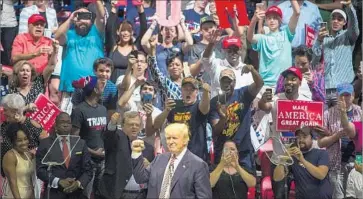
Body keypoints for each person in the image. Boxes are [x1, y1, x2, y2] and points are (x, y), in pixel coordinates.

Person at [131, 123, 212, 199]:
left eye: (174, 138)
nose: (170, 142)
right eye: (168, 138)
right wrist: (136, 153)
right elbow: (140, 178)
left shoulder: (198, 165)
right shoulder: (159, 159)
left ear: (185, 140)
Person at [209, 66, 263, 167]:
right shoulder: (214, 102)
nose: (226, 85)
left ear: (234, 82)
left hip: (243, 150)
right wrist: (223, 118)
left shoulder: (243, 94)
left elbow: (260, 83)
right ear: (219, 83)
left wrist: (252, 70)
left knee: (248, 181)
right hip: (223, 151)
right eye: (224, 81)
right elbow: (215, 130)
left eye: (229, 81)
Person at [317, 83, 361, 199]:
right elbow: (320, 143)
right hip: (336, 164)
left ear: (353, 95)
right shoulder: (328, 114)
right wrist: (335, 137)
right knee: (338, 196)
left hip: (357, 163)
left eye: (347, 95)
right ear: (336, 96)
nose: (344, 99)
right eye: (342, 95)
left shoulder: (359, 112)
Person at [312, 0, 359, 107]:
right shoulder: (323, 39)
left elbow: (354, 25)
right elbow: (314, 62)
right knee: (325, 121)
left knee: (342, 121)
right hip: (326, 88)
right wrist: (319, 40)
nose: (336, 21)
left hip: (344, 89)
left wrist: (349, 6)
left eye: (339, 19)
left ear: (345, 23)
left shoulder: (348, 36)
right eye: (333, 18)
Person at [36, 112, 93, 199]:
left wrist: (78, 183)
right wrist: (58, 181)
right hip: (54, 193)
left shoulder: (80, 143)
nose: (65, 125)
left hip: (76, 194)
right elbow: (40, 170)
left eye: (68, 122)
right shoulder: (45, 143)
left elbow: (88, 170)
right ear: (56, 125)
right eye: (62, 122)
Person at [99, 112, 154, 199]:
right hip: (119, 194)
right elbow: (108, 136)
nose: (134, 127)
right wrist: (112, 124)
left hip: (142, 194)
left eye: (137, 125)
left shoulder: (149, 148)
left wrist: (149, 166)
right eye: (131, 124)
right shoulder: (116, 139)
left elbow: (153, 174)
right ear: (123, 125)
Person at [154, 77, 211, 160]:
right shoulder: (175, 105)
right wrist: (166, 111)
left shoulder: (198, 106)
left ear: (196, 92)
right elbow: (156, 125)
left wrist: (206, 92)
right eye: (185, 89)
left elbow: (205, 108)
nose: (188, 92)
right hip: (177, 154)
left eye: (191, 89)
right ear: (181, 91)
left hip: (196, 155)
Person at [247, 1, 300, 89]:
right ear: (266, 21)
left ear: (280, 20)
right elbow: (250, 37)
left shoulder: (286, 34)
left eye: (275, 18)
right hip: (266, 84)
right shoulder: (262, 38)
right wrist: (254, 20)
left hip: (284, 84)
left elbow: (297, 12)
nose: (272, 20)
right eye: (269, 18)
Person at [55, 1, 105, 93]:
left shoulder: (96, 32)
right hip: (70, 88)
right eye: (79, 16)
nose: (82, 20)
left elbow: (101, 16)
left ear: (91, 19)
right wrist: (70, 18)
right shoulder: (69, 34)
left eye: (86, 16)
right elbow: (56, 37)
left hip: (93, 89)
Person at [71, 76, 108, 198]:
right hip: (87, 161)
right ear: (95, 90)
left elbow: (105, 135)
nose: (104, 84)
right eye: (100, 83)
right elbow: (74, 139)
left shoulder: (103, 109)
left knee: (100, 194)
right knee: (84, 195)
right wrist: (93, 152)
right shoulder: (79, 110)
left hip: (102, 160)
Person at [273, 126, 332, 199]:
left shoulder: (322, 153)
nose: (301, 140)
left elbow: (321, 175)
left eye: (304, 137)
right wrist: (283, 159)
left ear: (312, 138)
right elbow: (277, 178)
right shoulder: (293, 158)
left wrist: (302, 160)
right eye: (298, 137)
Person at [1, 94, 44, 176]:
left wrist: (36, 152)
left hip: (28, 174)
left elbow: (47, 144)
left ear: (14, 111)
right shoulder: (4, 126)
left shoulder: (31, 124)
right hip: (7, 174)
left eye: (6, 110)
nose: (4, 113)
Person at [9, 40, 59, 105]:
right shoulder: (13, 88)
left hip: (39, 114)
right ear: (17, 73)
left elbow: (51, 66)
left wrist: (55, 50)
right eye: (22, 70)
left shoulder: (38, 84)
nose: (25, 73)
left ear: (31, 73)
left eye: (27, 71)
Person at [2, 123, 36, 199]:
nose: (24, 142)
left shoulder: (28, 154)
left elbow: (30, 181)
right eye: (19, 140)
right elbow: (12, 182)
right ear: (12, 141)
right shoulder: (10, 156)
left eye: (25, 139)